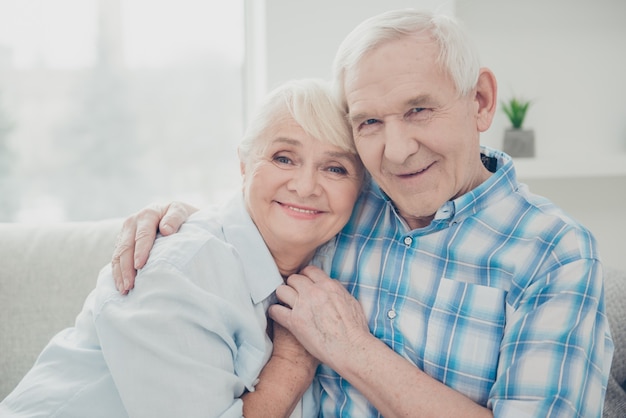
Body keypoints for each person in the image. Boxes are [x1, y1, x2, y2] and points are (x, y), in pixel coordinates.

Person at [112, 9, 613, 417]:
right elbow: (270, 213)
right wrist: (180, 220)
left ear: (480, 101)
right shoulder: (349, 201)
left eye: (419, 110)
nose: (396, 151)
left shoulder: (554, 252)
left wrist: (351, 348)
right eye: (370, 121)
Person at [0, 78, 364, 417]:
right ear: (243, 164)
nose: (305, 186)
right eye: (284, 158)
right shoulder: (178, 274)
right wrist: (293, 362)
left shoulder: (326, 262)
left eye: (335, 169)